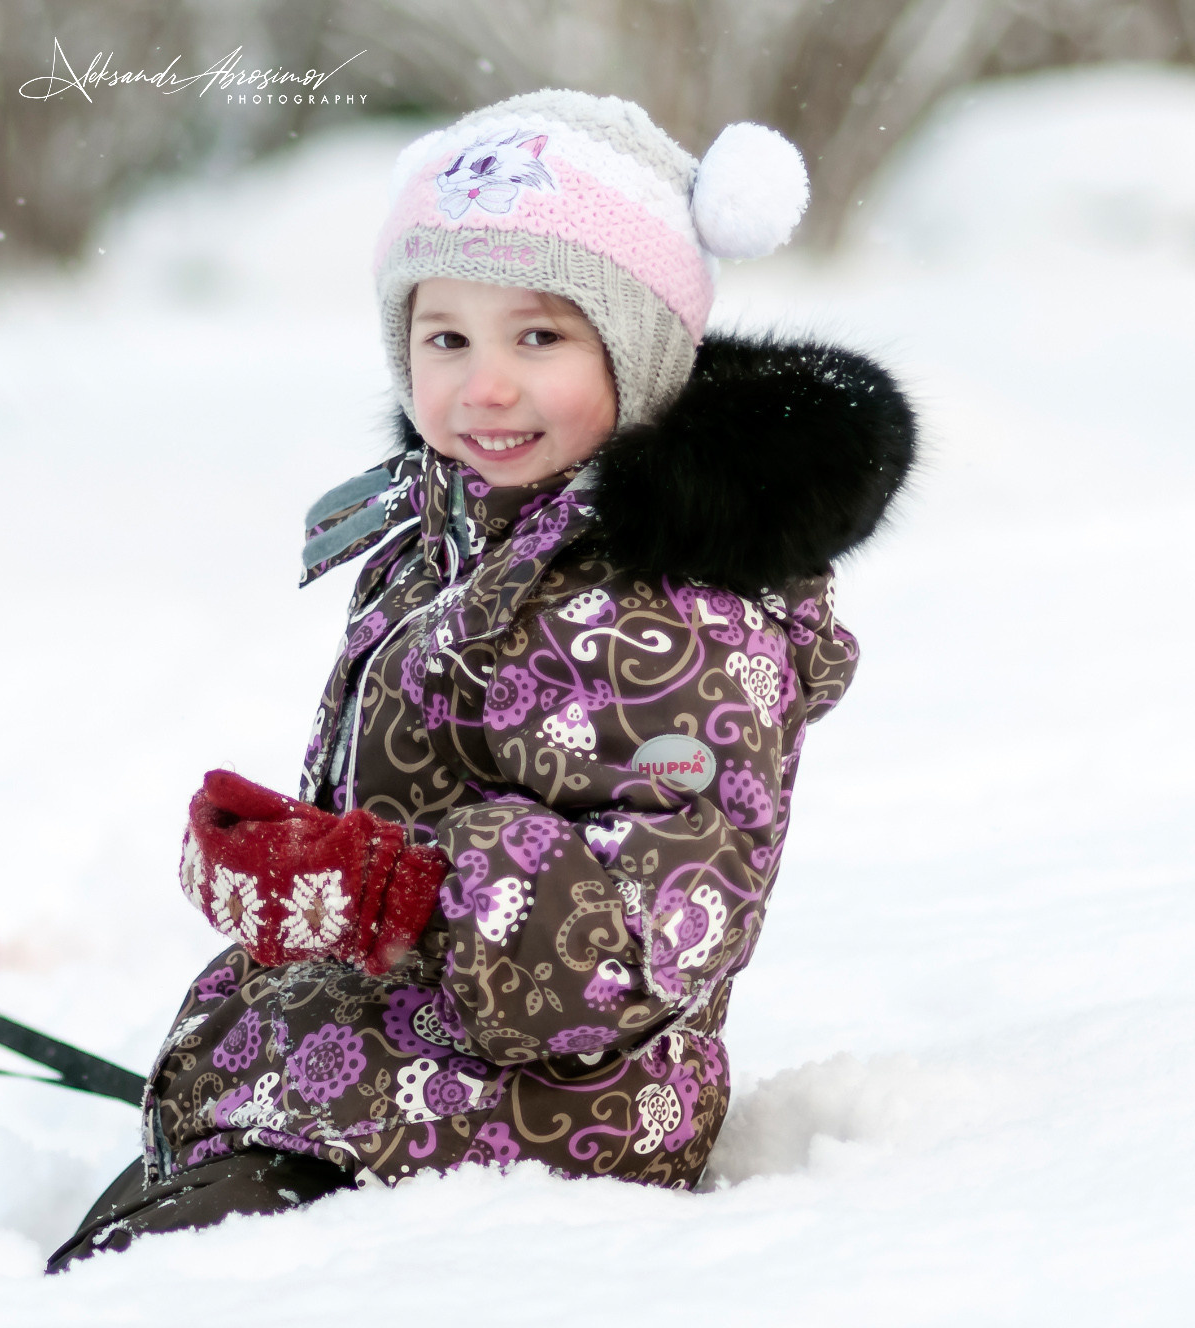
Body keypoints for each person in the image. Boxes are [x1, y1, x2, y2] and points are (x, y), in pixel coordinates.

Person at [47, 88, 916, 1273]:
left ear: (642, 347)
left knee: (143, 1282)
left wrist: (399, 891)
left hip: (552, 1125)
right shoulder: (446, 541)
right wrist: (308, 871)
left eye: (539, 337)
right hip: (389, 1081)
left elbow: (650, 932)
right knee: (116, 1259)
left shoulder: (675, 606)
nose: (483, 385)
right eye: (443, 337)